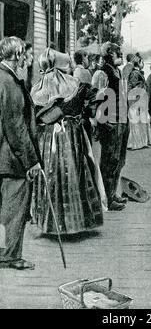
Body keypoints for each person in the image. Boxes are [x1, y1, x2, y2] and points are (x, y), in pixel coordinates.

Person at [30, 48, 104, 235]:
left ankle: (50, 223)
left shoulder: (38, 86)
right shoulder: (73, 83)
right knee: (72, 172)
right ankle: (75, 222)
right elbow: (91, 98)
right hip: (70, 135)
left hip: (47, 138)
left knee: (53, 174)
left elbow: (36, 116)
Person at [0, 37, 42, 270]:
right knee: (15, 212)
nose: (28, 61)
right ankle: (12, 257)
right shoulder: (10, 83)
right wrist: (31, 161)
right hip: (11, 159)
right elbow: (16, 128)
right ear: (16, 56)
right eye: (25, 56)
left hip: (2, 156)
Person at [97, 42, 129, 211]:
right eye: (118, 53)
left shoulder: (117, 71)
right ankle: (107, 199)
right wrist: (103, 122)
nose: (121, 55)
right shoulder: (103, 73)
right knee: (110, 161)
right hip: (111, 123)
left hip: (122, 121)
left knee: (119, 160)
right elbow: (97, 100)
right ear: (110, 54)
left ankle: (112, 193)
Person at [127, 53, 151, 150]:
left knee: (141, 121)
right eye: (142, 62)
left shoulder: (136, 73)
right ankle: (138, 143)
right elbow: (134, 89)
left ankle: (141, 142)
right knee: (137, 122)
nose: (143, 63)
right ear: (139, 63)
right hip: (137, 101)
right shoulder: (135, 73)